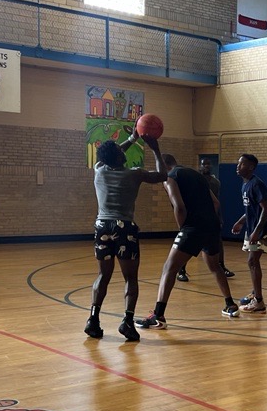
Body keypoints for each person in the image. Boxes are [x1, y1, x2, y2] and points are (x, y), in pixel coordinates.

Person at [136, 153, 240, 329]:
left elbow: (179, 206)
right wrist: (209, 223)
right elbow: (215, 203)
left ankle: (158, 316)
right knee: (215, 266)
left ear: (164, 166)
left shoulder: (170, 177)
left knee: (169, 267)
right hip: (212, 226)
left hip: (193, 227)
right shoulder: (196, 175)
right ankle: (230, 305)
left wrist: (183, 230)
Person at [84, 129, 168, 342]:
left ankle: (93, 319)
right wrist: (156, 150)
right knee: (130, 278)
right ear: (120, 157)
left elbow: (110, 153)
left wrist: (132, 139)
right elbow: (163, 176)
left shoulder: (99, 170)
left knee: (103, 275)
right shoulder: (135, 173)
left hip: (102, 225)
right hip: (124, 227)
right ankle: (127, 322)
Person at [177, 157, 235, 282]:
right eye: (204, 164)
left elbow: (216, 202)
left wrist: (219, 218)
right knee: (188, 244)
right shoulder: (195, 179)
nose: (207, 166)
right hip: (195, 216)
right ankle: (181, 270)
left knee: (218, 242)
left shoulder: (215, 182)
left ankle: (222, 266)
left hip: (210, 217)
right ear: (200, 165)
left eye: (209, 164)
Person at [230, 153, 267, 314]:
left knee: (252, 262)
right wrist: (241, 221)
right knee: (252, 262)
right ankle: (255, 293)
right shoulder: (245, 184)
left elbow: (266, 209)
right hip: (252, 226)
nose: (237, 166)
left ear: (251, 167)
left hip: (261, 228)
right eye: (238, 163)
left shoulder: (256, 184)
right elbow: (251, 209)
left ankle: (259, 302)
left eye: (241, 164)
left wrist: (257, 232)